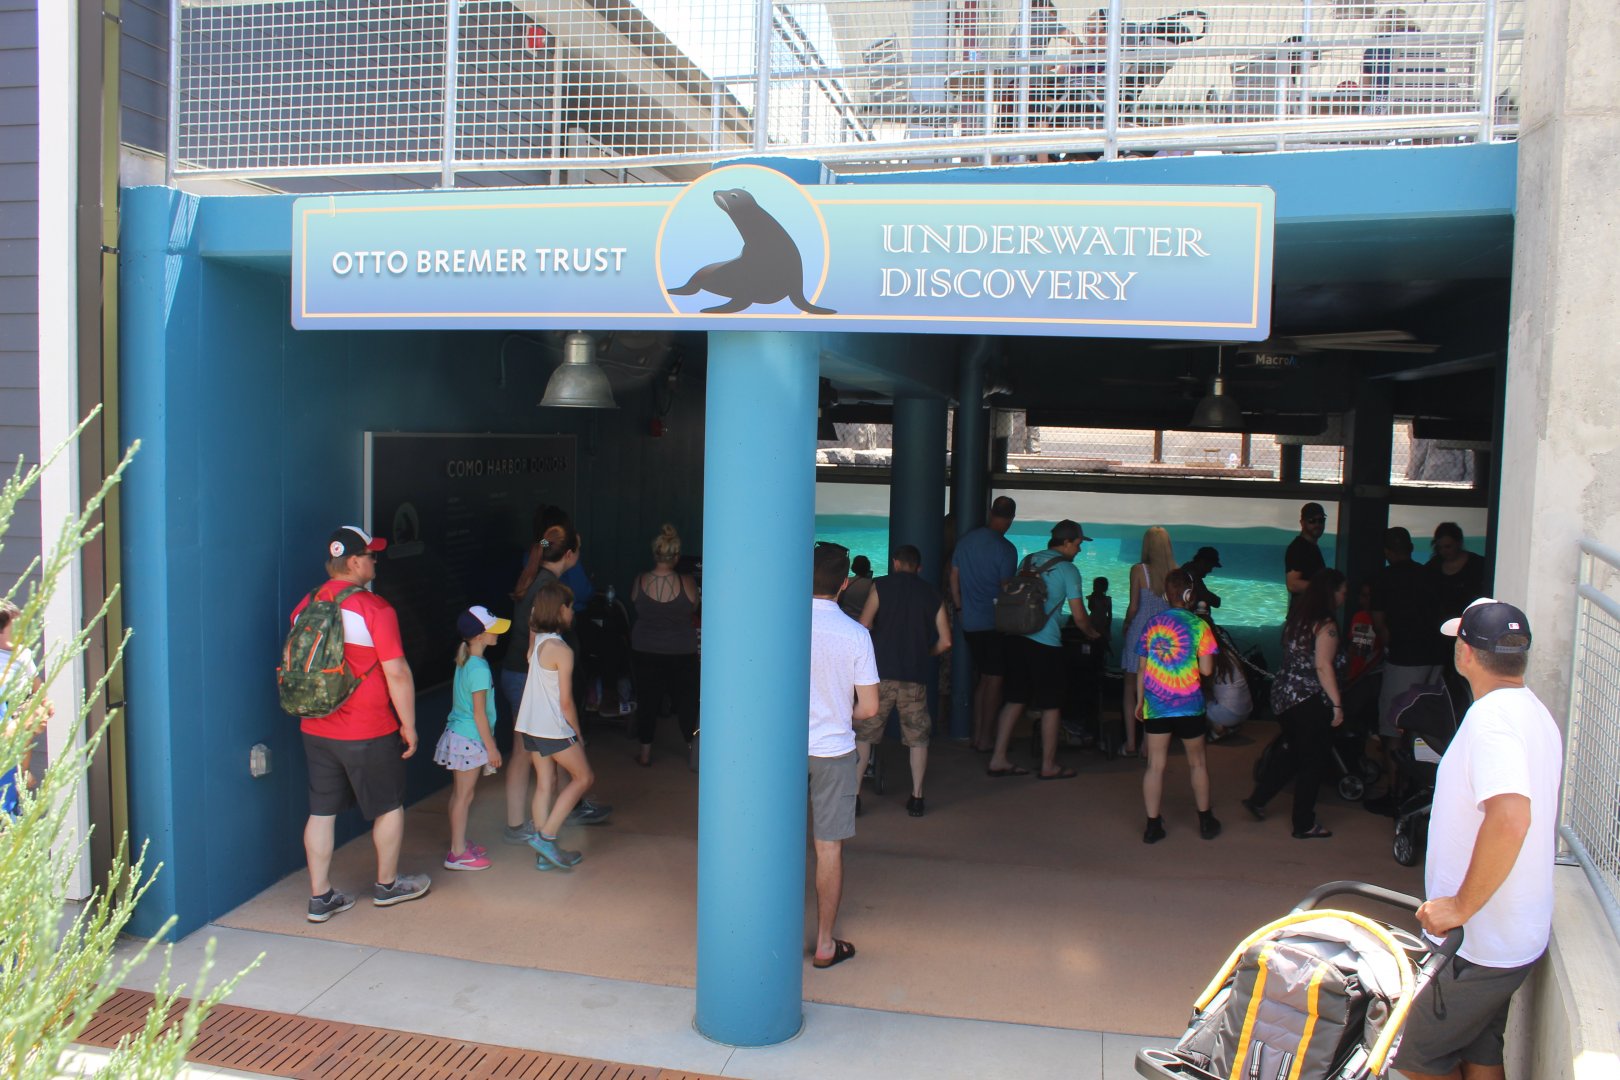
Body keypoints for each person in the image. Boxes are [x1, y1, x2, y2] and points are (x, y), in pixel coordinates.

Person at [1393, 598, 1561, 1080]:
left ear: (1465, 653)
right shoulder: (1533, 713)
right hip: (1508, 936)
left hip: (1476, 943)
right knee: (1481, 1051)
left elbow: (1510, 818)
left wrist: (1460, 907)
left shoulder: (1492, 721)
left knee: (1415, 1056)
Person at [293, 526, 430, 922]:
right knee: (388, 806)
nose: (375, 562)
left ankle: (320, 897)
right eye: (371, 556)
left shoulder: (305, 605)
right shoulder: (375, 608)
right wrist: (409, 724)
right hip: (368, 730)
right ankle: (387, 886)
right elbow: (398, 673)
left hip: (316, 727)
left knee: (320, 812)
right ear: (354, 562)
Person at [502, 523, 610, 843]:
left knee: (542, 756)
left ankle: (561, 810)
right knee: (529, 750)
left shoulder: (538, 578)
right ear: (569, 554)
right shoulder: (547, 587)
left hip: (523, 676)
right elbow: (531, 647)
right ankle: (519, 825)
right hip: (529, 680)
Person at [807, 541, 880, 969]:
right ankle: (824, 944)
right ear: (845, 584)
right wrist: (837, 713)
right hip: (833, 750)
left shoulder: (783, 624)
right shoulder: (855, 634)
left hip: (781, 752)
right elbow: (869, 708)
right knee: (828, 849)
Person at [985, 520, 1102, 780]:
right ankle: (1049, 765)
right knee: (1051, 704)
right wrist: (1093, 634)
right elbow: (1080, 616)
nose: (1079, 550)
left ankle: (998, 759)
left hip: (1015, 637)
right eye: (1079, 544)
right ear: (1067, 542)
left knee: (1014, 699)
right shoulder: (1068, 569)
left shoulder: (1028, 561)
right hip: (1044, 644)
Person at [1243, 568, 1348, 839]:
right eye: (1342, 592)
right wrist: (1337, 705)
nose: (1344, 597)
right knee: (1313, 760)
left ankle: (1258, 799)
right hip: (1307, 699)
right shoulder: (1326, 626)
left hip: (1283, 696)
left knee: (1292, 752)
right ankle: (1304, 823)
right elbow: (1323, 666)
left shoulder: (1297, 619)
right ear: (1332, 592)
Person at [857, 544, 952, 817]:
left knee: (865, 735)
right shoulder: (932, 594)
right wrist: (926, 653)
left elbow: (864, 624)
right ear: (918, 567)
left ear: (896, 563)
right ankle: (917, 798)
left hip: (879, 674)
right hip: (914, 677)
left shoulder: (881, 586)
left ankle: (854, 798)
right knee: (917, 737)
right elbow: (946, 641)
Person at [514, 581, 599, 871]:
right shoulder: (562, 650)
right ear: (560, 610)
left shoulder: (537, 640)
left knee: (544, 784)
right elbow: (566, 702)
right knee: (584, 778)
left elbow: (531, 636)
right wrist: (578, 733)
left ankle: (543, 854)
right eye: (570, 607)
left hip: (530, 726)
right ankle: (546, 838)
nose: (573, 612)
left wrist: (534, 620)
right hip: (553, 727)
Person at [1136, 569, 1221, 843]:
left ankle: (1152, 826)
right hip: (1189, 705)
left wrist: (1140, 702)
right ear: (1188, 594)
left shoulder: (1152, 624)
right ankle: (1206, 821)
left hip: (1157, 706)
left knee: (1155, 765)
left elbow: (1141, 669)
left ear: (1165, 594)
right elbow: (1207, 671)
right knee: (1197, 764)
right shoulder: (1200, 626)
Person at [1367, 527, 1445, 813]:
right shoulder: (1429, 575)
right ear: (1411, 548)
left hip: (1404, 660)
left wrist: (1390, 649)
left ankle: (1395, 793)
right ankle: (1424, 788)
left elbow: (1380, 624)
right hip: (1435, 659)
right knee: (1426, 727)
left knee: (1393, 728)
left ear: (1387, 552)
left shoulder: (1384, 579)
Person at [434, 605, 511, 871]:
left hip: (460, 735)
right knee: (464, 796)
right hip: (469, 738)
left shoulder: (467, 660)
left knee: (460, 795)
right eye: (492, 630)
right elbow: (480, 714)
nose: (496, 634)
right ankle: (457, 852)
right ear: (479, 636)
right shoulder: (479, 668)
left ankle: (459, 844)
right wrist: (492, 749)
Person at [951, 496, 1019, 753]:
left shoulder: (966, 541)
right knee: (995, 679)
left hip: (969, 621)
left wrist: (959, 608)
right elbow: (1005, 588)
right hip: (993, 623)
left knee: (984, 677)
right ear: (1011, 519)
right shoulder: (1006, 549)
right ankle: (984, 738)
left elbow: (954, 578)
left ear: (991, 512)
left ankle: (976, 734)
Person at [630, 524, 701, 767]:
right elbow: (693, 607)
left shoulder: (640, 581)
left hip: (645, 649)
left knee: (647, 700)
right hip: (682, 650)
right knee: (686, 700)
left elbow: (635, 605)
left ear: (655, 553)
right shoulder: (688, 582)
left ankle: (645, 753)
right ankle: (693, 751)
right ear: (677, 556)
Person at [1121, 526, 1177, 756]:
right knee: (1155, 690)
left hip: (1139, 633)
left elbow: (1134, 606)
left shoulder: (1138, 570)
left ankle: (1131, 743)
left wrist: (1125, 624)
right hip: (1164, 636)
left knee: (1130, 688)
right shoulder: (1175, 573)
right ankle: (1147, 745)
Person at [0, 600, 48, 817]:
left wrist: (41, 705)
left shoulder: (22, 655)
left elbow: (39, 688)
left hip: (18, 708)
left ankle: (22, 772)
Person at [1202, 618, 1253, 736]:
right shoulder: (1227, 653)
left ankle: (1217, 727)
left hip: (1229, 714)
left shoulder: (1210, 654)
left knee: (1194, 697)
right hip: (1246, 711)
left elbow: (1201, 683)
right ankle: (1229, 726)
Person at [1284, 502, 1328, 614]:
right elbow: (1292, 584)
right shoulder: (1299, 548)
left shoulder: (1312, 547)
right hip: (1303, 618)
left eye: (1321, 520)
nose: (1317, 524)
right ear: (1302, 523)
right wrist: (1326, 587)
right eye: (1312, 520)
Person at [1181, 546, 1223, 612]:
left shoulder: (1190, 572)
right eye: (1210, 566)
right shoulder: (1192, 575)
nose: (1210, 570)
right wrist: (1216, 600)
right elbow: (1210, 598)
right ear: (1202, 562)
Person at [839, 555, 876, 620]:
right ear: (868, 568)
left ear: (853, 567)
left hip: (845, 618)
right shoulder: (873, 584)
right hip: (864, 620)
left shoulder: (846, 582)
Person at [1086, 576, 1113, 643]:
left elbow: (1090, 608)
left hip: (1094, 620)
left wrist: (1092, 598)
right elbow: (1110, 614)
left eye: (1095, 586)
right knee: (1102, 639)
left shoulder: (1094, 598)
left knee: (1092, 639)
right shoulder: (1108, 599)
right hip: (1102, 621)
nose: (1094, 588)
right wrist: (1108, 625)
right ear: (1106, 588)